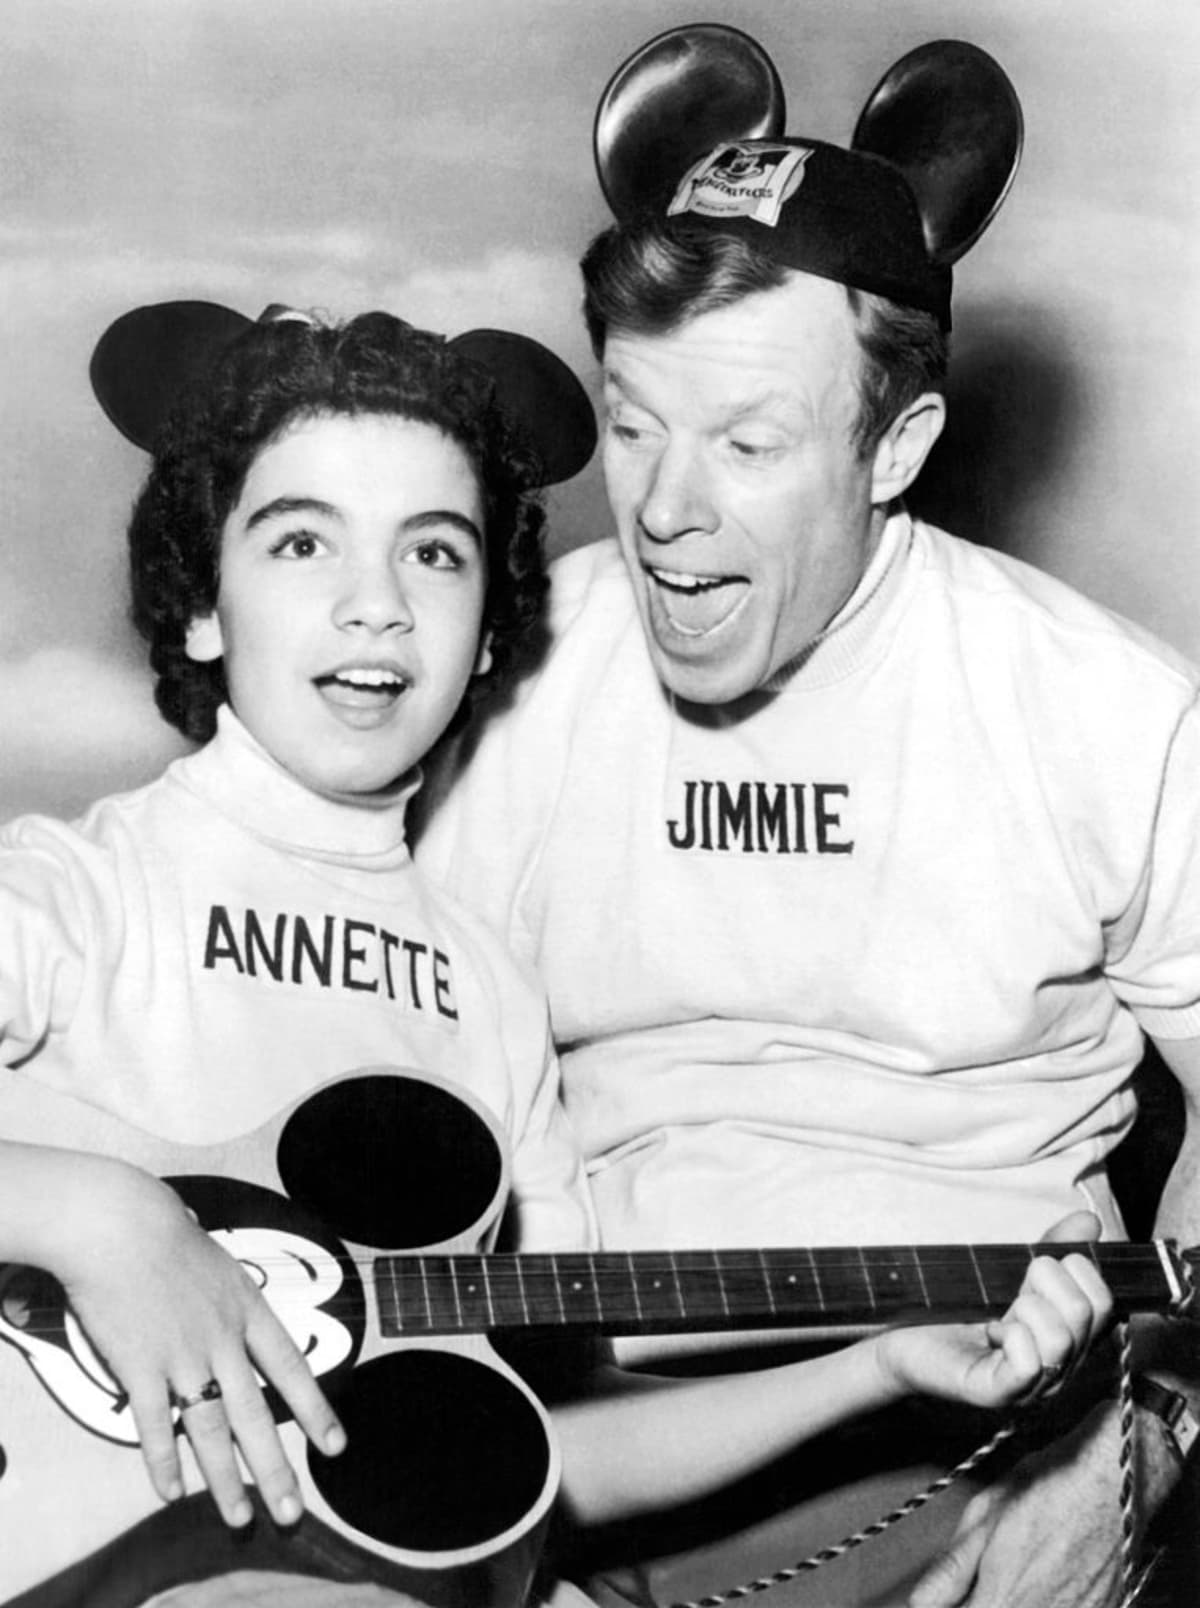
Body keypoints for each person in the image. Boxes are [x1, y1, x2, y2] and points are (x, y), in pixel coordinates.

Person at [0, 304, 1110, 1608]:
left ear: (488, 634)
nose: (375, 606)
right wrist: (97, 1215)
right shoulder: (79, 892)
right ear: (201, 604)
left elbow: (537, 1460)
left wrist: (874, 1368)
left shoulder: (487, 998)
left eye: (435, 553)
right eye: (302, 541)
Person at [414, 29, 1200, 1608]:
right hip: (594, 1439)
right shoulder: (509, 685)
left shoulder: (1108, 708)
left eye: (749, 443)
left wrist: (1156, 1425)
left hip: (996, 1445)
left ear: (895, 449)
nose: (664, 509)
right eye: (635, 423)